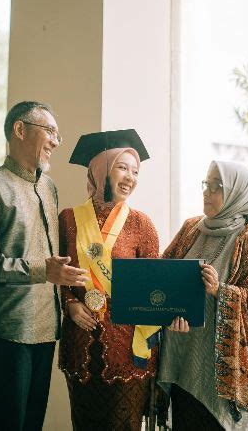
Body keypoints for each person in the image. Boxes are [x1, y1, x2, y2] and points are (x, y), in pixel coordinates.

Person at [0, 101, 88, 431]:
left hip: (46, 327)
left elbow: (51, 259)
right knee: (8, 423)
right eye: (50, 131)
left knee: (33, 422)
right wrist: (41, 270)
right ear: (20, 130)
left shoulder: (48, 187)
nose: (56, 142)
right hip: (7, 329)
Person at [157, 161, 248, 431]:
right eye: (206, 185)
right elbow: (164, 273)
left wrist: (220, 291)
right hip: (181, 359)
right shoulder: (191, 229)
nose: (207, 193)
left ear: (237, 193)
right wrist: (168, 312)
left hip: (219, 376)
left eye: (217, 186)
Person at [58, 129, 160, 431]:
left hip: (128, 349)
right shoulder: (67, 219)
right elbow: (58, 276)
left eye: (135, 171)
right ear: (101, 169)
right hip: (81, 344)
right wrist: (70, 305)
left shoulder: (141, 224)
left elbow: (153, 285)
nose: (130, 177)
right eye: (122, 167)